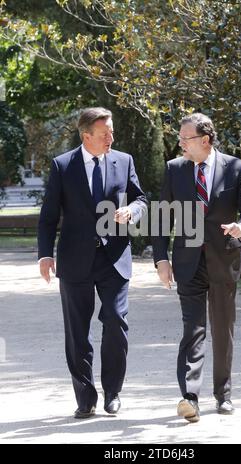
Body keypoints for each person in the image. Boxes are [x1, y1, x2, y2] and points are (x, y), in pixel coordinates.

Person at [38, 107, 147, 419]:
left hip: (114, 258)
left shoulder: (124, 161)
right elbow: (48, 217)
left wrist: (132, 213)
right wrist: (45, 254)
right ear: (86, 136)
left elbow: (141, 199)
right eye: (104, 134)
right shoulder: (62, 166)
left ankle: (113, 392)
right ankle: (85, 397)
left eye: (111, 132)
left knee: (115, 320)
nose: (111, 137)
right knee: (77, 332)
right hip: (74, 260)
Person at [152, 113, 241, 423]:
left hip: (225, 259)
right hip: (188, 263)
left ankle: (223, 394)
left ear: (205, 140)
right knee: (193, 330)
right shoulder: (175, 170)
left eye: (185, 138)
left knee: (222, 329)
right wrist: (161, 260)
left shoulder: (235, 168)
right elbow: (161, 218)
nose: (180, 143)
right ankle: (189, 397)